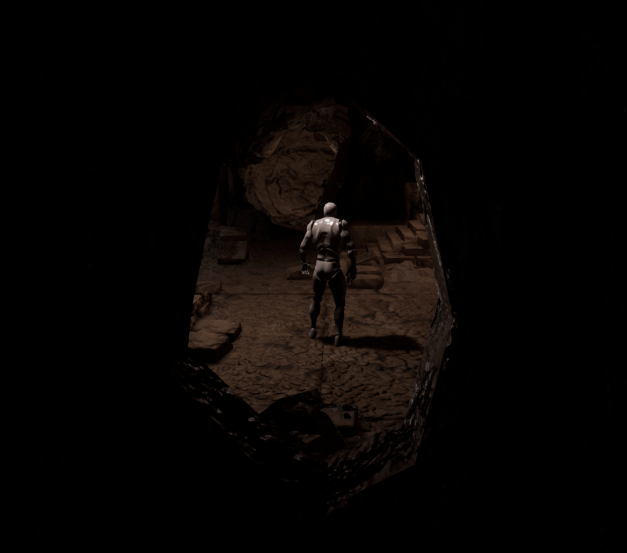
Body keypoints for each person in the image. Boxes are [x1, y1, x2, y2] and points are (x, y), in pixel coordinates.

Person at [299, 202, 357, 346]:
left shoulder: (313, 224)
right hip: (333, 266)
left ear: (324, 212)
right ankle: (338, 335)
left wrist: (304, 263)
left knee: (316, 299)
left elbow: (302, 248)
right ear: (335, 212)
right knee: (339, 303)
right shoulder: (341, 224)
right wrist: (353, 266)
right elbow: (351, 248)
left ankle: (313, 329)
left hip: (319, 266)